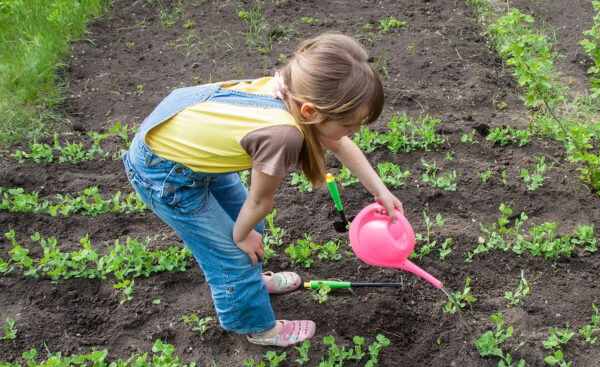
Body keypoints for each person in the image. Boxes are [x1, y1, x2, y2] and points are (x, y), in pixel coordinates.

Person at [122, 33, 403, 347]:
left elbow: (336, 141)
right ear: (311, 112)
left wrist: (380, 190)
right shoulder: (283, 135)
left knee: (249, 224)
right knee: (233, 253)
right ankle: (257, 327)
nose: (355, 131)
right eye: (351, 124)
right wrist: (240, 236)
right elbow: (260, 200)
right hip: (164, 172)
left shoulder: (292, 88)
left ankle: (252, 282)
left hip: (189, 151)